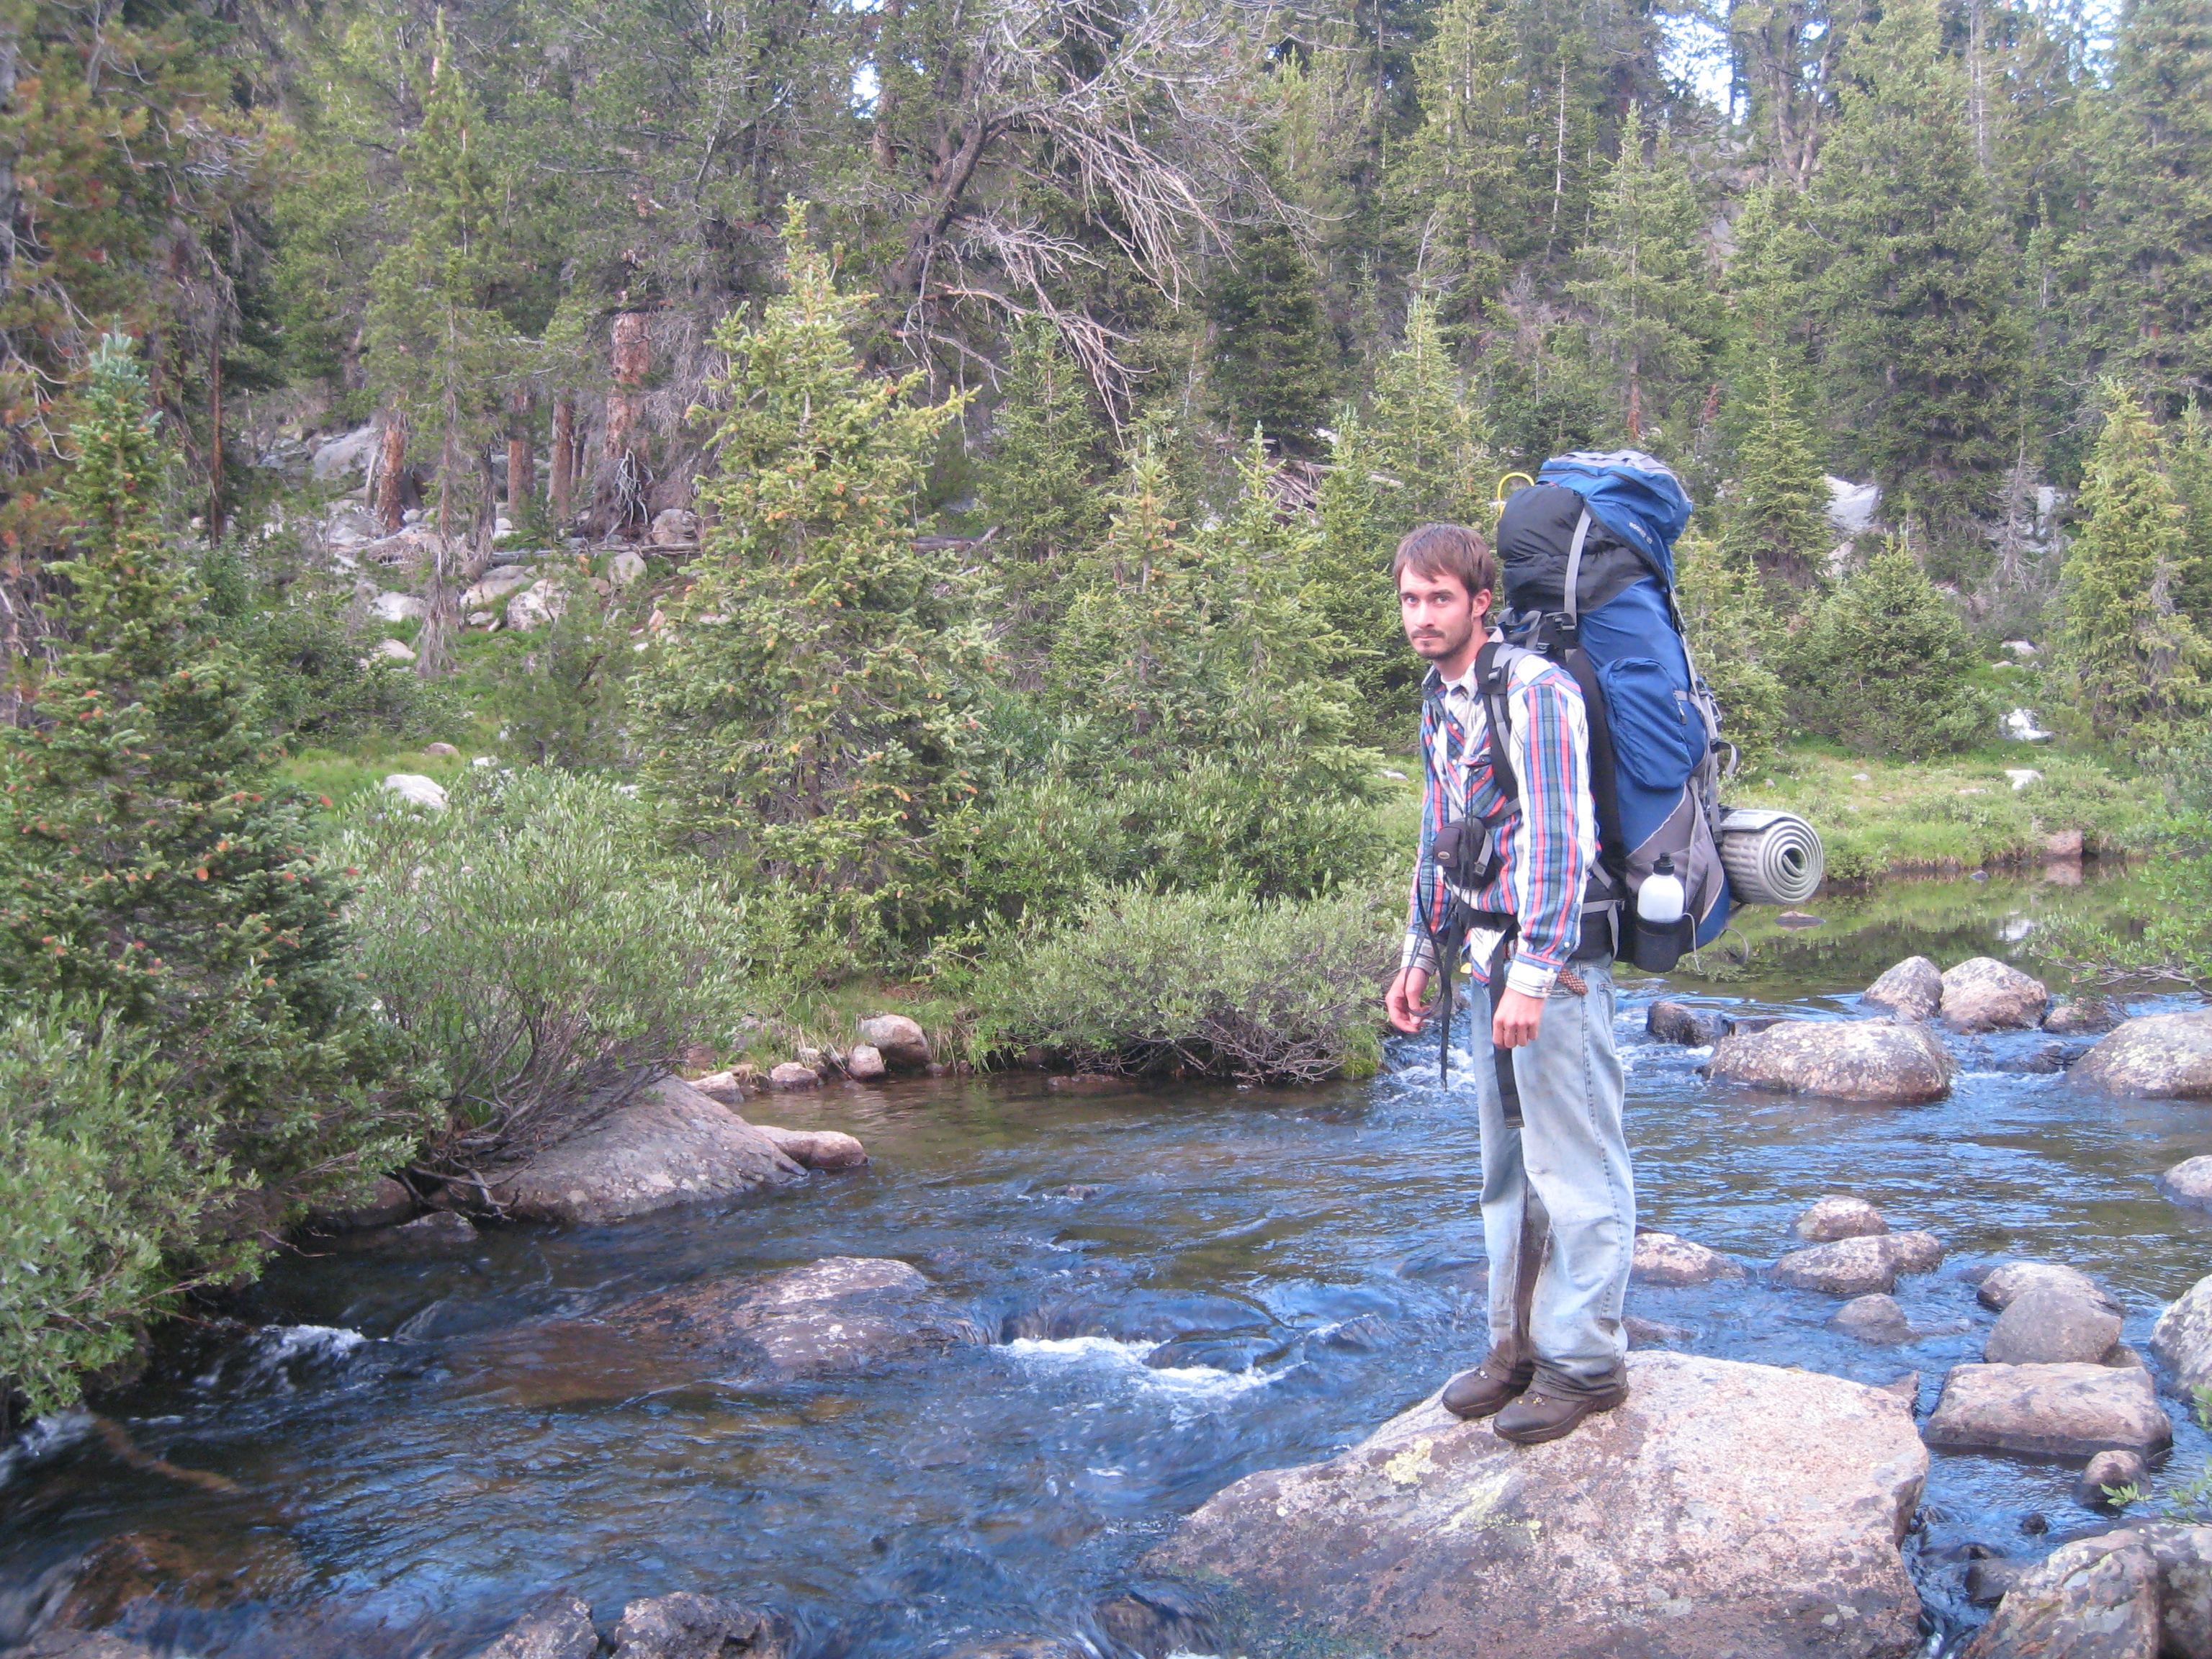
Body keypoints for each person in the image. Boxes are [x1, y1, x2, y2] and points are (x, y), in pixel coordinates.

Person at [1382, 521, 1632, 1446]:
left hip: (1553, 970)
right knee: (1506, 1172)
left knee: (1576, 1162)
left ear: (1481, 603)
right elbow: (1440, 836)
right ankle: (1515, 1348)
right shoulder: (1437, 699)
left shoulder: (1539, 692)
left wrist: (1534, 974)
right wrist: (1419, 953)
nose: (1422, 616)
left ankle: (1588, 1364)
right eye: (1411, 599)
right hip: (1485, 961)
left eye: (1440, 598)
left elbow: (1564, 846)